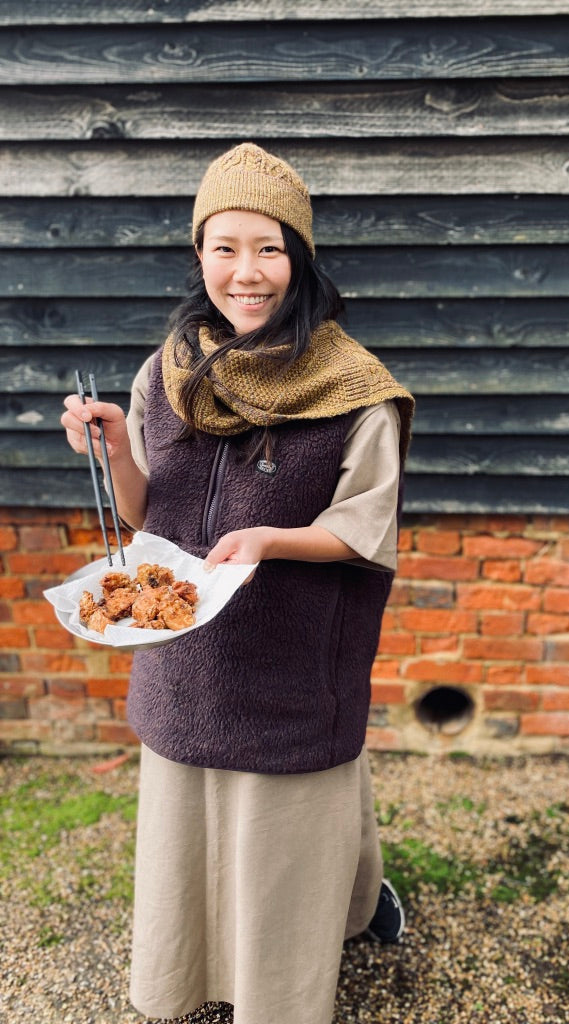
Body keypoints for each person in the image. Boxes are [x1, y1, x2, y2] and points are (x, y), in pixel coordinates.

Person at [60, 142, 414, 1024]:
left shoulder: (354, 388)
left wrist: (272, 539)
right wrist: (112, 451)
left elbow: (364, 524)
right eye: (225, 247)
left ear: (298, 258)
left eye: (268, 247)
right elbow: (148, 516)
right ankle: (191, 971)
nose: (245, 273)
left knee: (285, 822)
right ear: (200, 255)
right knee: (191, 819)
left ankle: (294, 978)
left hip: (293, 650)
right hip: (186, 649)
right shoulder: (167, 370)